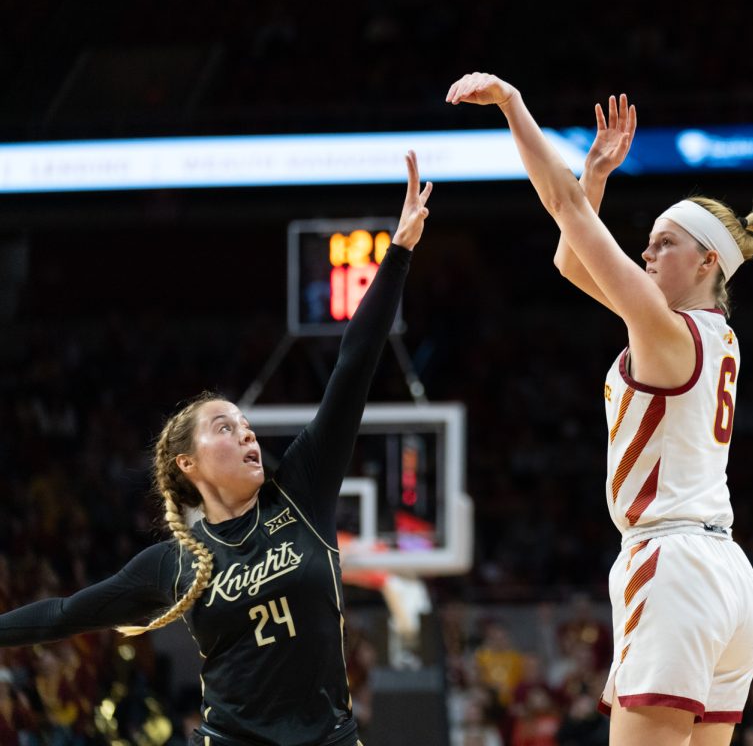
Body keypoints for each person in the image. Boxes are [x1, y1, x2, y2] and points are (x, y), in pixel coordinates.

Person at [447, 73, 753, 746]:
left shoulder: (669, 334)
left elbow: (563, 212)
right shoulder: (711, 336)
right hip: (727, 578)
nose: (646, 251)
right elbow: (572, 262)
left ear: (705, 263)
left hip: (674, 567)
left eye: (664, 242)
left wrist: (515, 105)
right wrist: (598, 177)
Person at [0, 152, 433, 746]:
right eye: (225, 428)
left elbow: (354, 365)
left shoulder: (302, 490)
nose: (247, 433)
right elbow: (62, 615)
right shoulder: (171, 564)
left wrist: (400, 253)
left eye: (246, 424)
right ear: (188, 462)